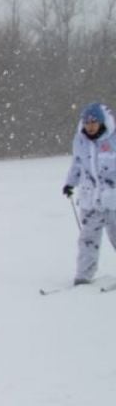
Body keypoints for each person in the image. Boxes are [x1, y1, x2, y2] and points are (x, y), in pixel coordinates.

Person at [62, 102, 116, 284]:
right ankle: (84, 276)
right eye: (87, 122)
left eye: (94, 122)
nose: (90, 126)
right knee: (88, 239)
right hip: (90, 199)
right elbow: (77, 164)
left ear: (101, 122)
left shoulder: (112, 139)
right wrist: (70, 184)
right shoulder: (80, 141)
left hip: (113, 199)